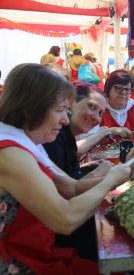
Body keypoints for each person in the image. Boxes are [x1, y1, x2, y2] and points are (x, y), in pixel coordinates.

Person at [0, 63, 134, 274]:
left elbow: (71, 187)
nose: (63, 119)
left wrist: (124, 170)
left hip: (36, 250)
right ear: (31, 108)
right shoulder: (10, 152)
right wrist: (109, 180)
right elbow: (65, 219)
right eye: (60, 110)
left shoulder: (27, 143)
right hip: (18, 263)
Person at [43, 81, 113, 261]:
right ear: (71, 103)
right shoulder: (53, 137)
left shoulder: (65, 135)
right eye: (91, 107)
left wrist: (88, 167)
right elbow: (67, 193)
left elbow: (64, 175)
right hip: (54, 236)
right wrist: (110, 177)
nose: (96, 117)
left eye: (100, 113)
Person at [92, 69, 134, 143]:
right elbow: (87, 140)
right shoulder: (98, 109)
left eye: (127, 89)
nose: (123, 93)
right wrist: (110, 131)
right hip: (101, 154)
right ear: (108, 90)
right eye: (118, 88)